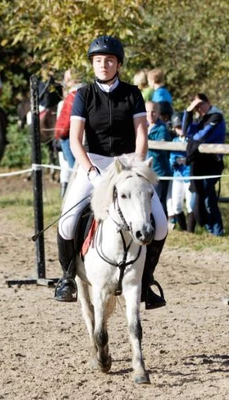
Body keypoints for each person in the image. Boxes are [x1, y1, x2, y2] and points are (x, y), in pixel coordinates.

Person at [54, 35, 167, 310]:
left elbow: (142, 134)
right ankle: (68, 277)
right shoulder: (83, 95)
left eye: (109, 61)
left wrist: (137, 167)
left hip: (127, 164)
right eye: (98, 61)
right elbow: (74, 140)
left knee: (161, 224)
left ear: (118, 64)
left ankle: (146, 281)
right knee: (67, 222)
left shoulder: (132, 94)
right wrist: (90, 170)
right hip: (93, 163)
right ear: (93, 64)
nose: (103, 65)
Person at [183, 93, 226, 236]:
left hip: (212, 164)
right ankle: (216, 232)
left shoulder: (216, 117)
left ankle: (214, 231)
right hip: (199, 166)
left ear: (208, 102)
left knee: (201, 201)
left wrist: (191, 138)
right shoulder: (200, 118)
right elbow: (186, 132)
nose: (199, 109)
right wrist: (189, 111)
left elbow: (202, 136)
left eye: (201, 104)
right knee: (208, 200)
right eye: (196, 107)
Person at [54, 69, 84, 197]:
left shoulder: (73, 95)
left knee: (74, 169)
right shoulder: (82, 92)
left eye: (67, 78)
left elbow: (68, 117)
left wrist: (60, 133)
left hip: (67, 136)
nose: (65, 81)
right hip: (71, 133)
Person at [169, 112, 195, 232]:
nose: (181, 130)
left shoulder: (192, 139)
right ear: (175, 129)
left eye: (182, 126)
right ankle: (183, 228)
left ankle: (190, 230)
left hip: (189, 176)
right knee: (176, 205)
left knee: (190, 204)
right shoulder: (174, 141)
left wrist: (184, 160)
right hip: (177, 175)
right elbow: (172, 158)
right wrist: (175, 162)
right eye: (178, 127)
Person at [146, 101, 172, 216]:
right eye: (147, 111)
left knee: (159, 201)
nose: (150, 115)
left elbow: (161, 144)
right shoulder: (142, 125)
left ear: (158, 113)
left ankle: (162, 226)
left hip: (159, 171)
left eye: (153, 112)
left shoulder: (162, 128)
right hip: (146, 170)